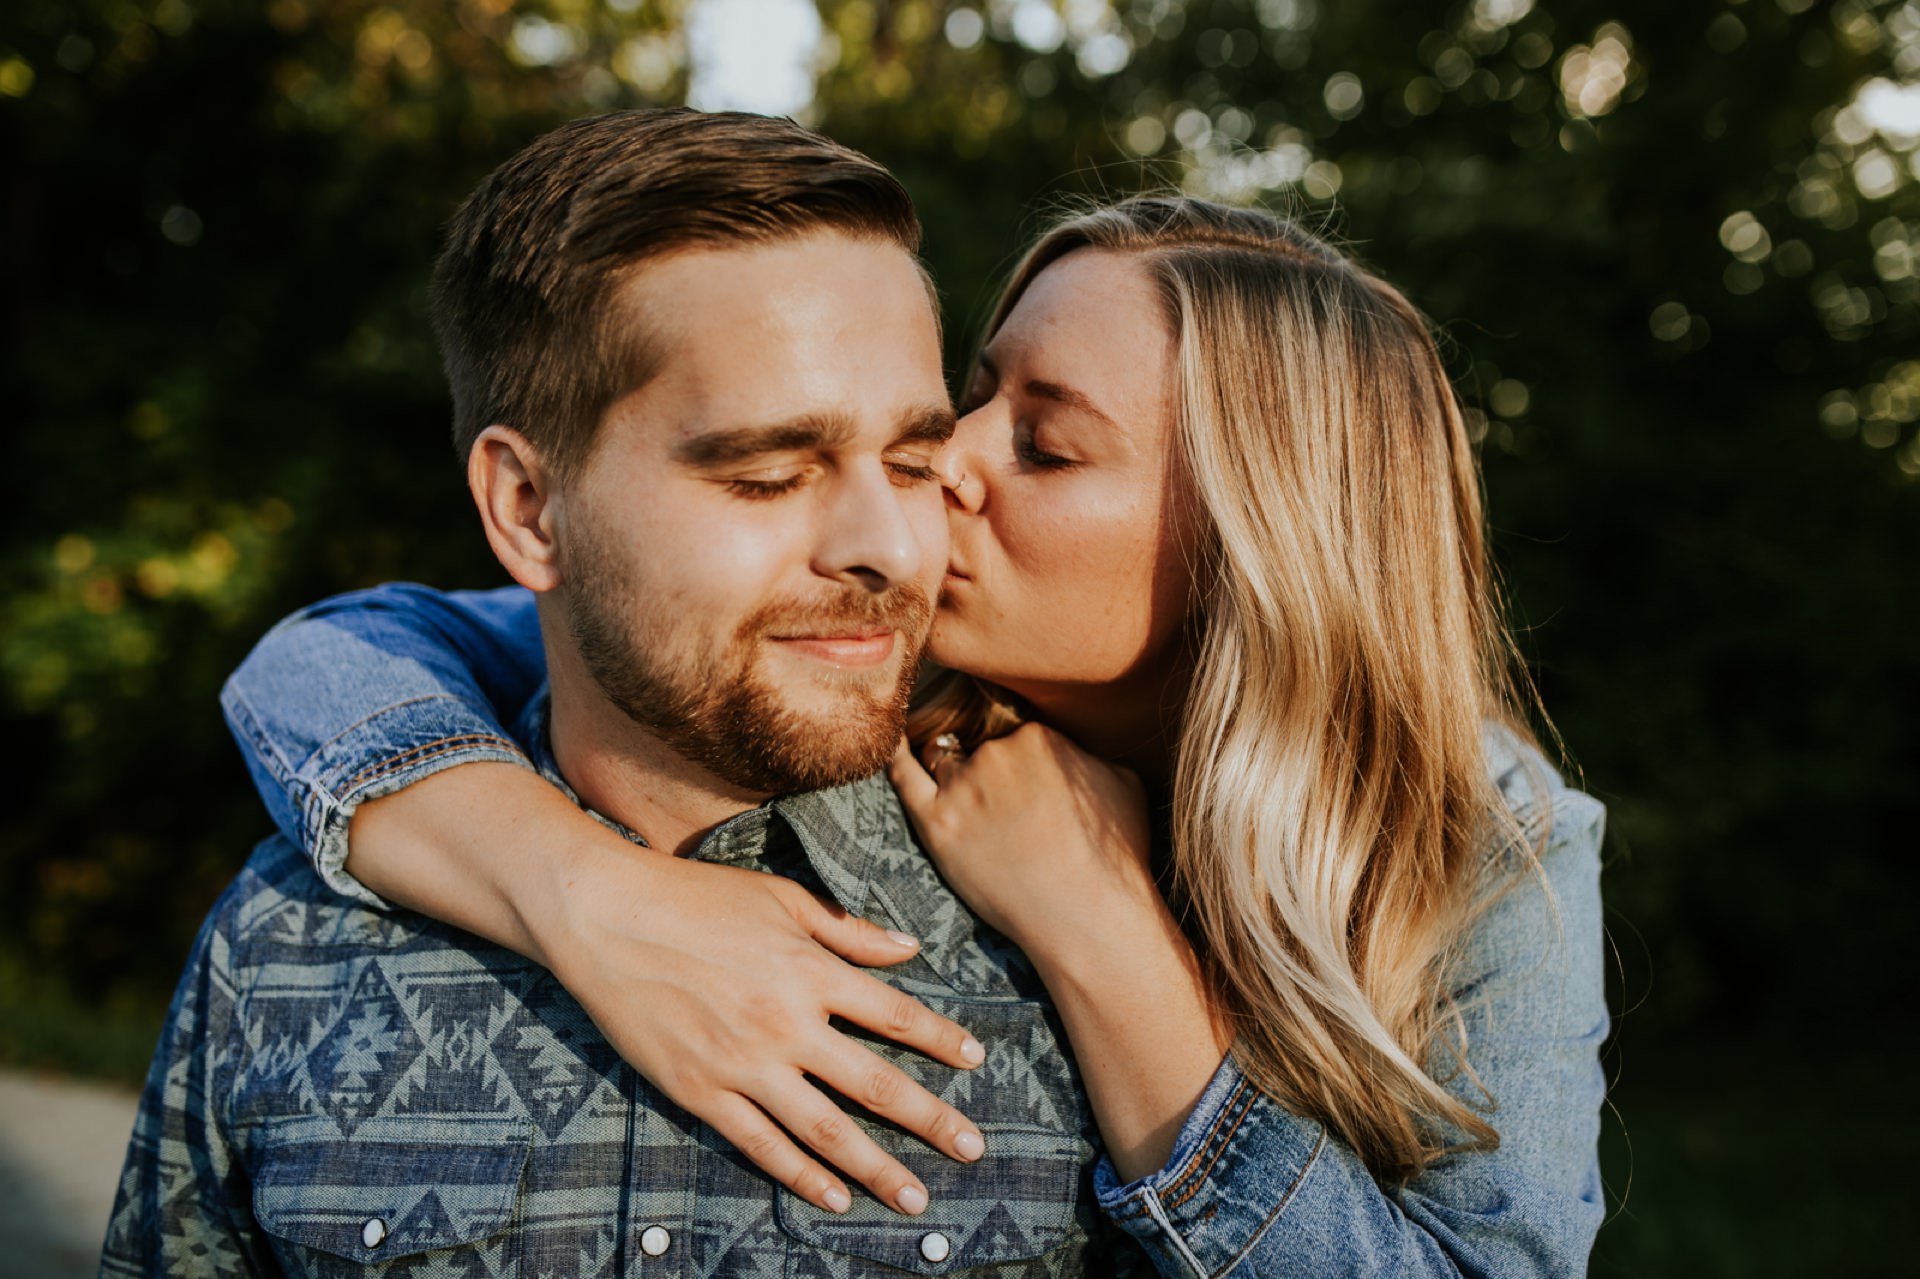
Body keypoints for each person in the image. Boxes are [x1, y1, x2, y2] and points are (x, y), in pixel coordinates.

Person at [212, 197, 1609, 1274]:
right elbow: (331, 658)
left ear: (1260, 551)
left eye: (1045, 444)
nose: (946, 458)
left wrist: (1105, 931)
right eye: (977, 393)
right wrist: (592, 894)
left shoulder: (1483, 837)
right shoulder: (858, 667)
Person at [101, 108, 1145, 1277]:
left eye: (911, 463)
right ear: (528, 509)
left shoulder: (1104, 943)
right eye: (768, 476)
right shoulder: (290, 943)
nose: (891, 548)